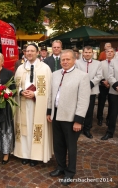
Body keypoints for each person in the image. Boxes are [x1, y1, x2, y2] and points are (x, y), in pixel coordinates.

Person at [47, 49, 90, 186]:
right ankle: (60, 167)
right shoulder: (55, 74)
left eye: (68, 59)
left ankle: (70, 172)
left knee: (71, 146)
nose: (65, 62)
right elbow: (51, 94)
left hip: (71, 118)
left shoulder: (82, 76)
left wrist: (78, 120)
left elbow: (83, 100)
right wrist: (49, 111)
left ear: (74, 60)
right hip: (56, 115)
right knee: (58, 145)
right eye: (63, 60)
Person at [14, 43, 53, 166]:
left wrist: (35, 93)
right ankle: (25, 154)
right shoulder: (20, 68)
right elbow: (15, 85)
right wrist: (21, 91)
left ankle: (35, 156)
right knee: (24, 129)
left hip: (37, 104)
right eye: (27, 51)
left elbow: (49, 88)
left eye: (32, 51)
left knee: (35, 129)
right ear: (25, 53)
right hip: (23, 103)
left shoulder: (45, 68)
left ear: (37, 53)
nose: (29, 53)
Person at [75, 46, 102, 139]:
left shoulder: (98, 63)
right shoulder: (77, 62)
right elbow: (75, 74)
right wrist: (82, 85)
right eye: (86, 52)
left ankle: (87, 129)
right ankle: (78, 128)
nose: (87, 54)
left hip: (92, 90)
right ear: (83, 53)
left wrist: (91, 83)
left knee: (89, 111)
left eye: (89, 52)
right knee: (79, 109)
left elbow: (99, 75)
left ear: (92, 53)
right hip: (79, 90)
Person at [97, 48, 115, 127]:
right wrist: (104, 81)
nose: (110, 53)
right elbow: (99, 73)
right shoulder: (101, 63)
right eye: (108, 52)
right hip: (103, 85)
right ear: (105, 53)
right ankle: (99, 118)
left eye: (111, 52)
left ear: (114, 53)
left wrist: (111, 83)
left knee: (112, 104)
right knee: (101, 103)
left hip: (113, 86)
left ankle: (109, 119)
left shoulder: (116, 63)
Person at [101, 57, 118, 140]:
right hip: (114, 91)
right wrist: (116, 86)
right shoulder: (113, 62)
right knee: (112, 114)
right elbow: (110, 76)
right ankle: (110, 132)